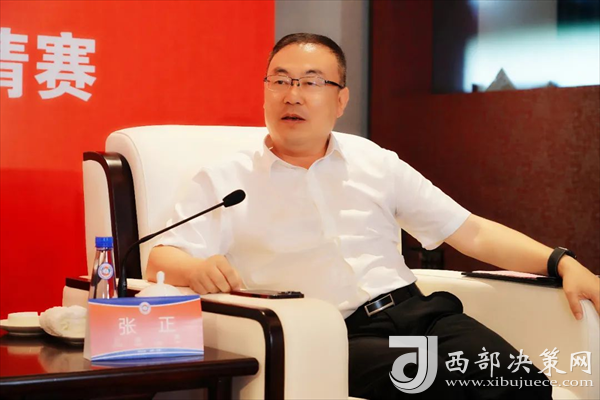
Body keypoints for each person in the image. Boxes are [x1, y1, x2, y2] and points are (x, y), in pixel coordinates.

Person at [147, 33, 599, 399]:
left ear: (340, 100)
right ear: (264, 91)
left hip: (419, 314)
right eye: (280, 80)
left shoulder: (374, 161)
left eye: (311, 82)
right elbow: (160, 258)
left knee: (522, 385)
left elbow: (472, 232)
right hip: (334, 337)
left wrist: (562, 262)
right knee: (457, 386)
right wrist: (197, 268)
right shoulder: (226, 179)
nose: (293, 95)